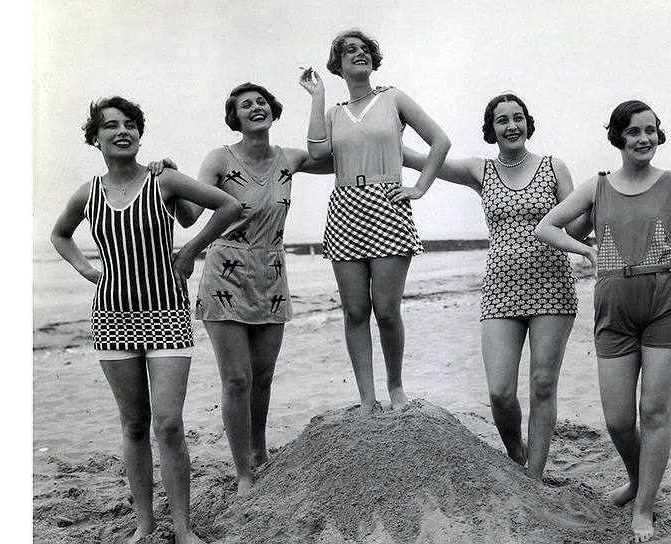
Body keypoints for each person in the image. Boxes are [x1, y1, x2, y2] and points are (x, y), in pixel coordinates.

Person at [50, 96, 241, 544]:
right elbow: (59, 234)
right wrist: (87, 271)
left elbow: (229, 206)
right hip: (112, 316)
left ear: (139, 133)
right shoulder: (88, 193)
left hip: (167, 313)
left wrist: (190, 251)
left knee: (168, 423)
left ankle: (183, 529)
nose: (123, 131)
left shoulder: (164, 180)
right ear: (95, 138)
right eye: (111, 125)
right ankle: (143, 526)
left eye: (130, 124)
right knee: (134, 424)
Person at [535, 100, 671, 542]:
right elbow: (546, 227)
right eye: (634, 131)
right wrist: (586, 249)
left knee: (653, 411)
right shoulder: (596, 187)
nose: (644, 138)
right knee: (618, 420)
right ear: (618, 137)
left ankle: (644, 506)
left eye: (650, 130)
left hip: (666, 307)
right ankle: (637, 480)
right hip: (613, 311)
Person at [404, 93, 589, 481]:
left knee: (542, 384)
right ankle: (516, 456)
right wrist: (383, 136)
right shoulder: (480, 170)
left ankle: (533, 478)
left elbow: (574, 228)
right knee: (500, 392)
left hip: (552, 285)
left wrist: (598, 207)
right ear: (491, 129)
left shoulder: (554, 167)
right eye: (502, 120)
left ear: (527, 122)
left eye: (518, 118)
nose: (512, 126)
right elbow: (421, 160)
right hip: (500, 288)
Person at [162, 82, 334, 494]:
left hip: (271, 272)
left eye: (261, 102)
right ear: (234, 118)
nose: (256, 107)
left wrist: (317, 98)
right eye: (246, 105)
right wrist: (171, 176)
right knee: (237, 379)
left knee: (264, 376)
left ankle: (259, 453)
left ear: (272, 110)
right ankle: (243, 472)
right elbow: (189, 216)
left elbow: (327, 155)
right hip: (226, 273)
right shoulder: (220, 158)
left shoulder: (289, 158)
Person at [299, 29, 451, 413]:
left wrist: (419, 188)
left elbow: (440, 141)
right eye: (350, 50)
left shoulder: (392, 98)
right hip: (345, 206)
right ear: (337, 64)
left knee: (385, 309)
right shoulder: (334, 113)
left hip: (387, 203)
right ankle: (367, 399)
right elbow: (316, 152)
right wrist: (317, 97)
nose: (360, 53)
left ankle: (395, 387)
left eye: (365, 49)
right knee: (354, 311)